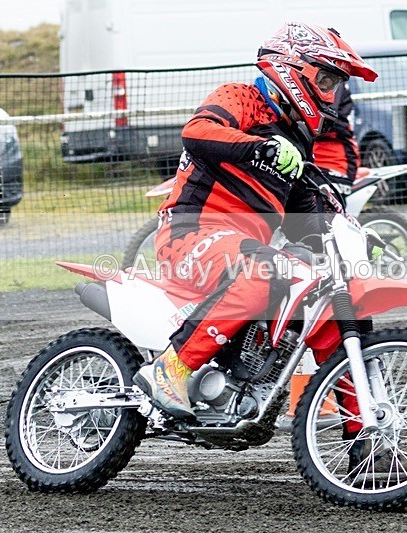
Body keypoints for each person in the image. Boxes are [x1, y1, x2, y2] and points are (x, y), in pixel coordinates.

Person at [132, 23, 378, 419]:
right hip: (190, 233)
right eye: (327, 80)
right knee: (269, 268)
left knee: (332, 301)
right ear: (293, 68)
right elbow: (197, 132)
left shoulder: (298, 141)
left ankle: (363, 432)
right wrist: (260, 148)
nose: (332, 93)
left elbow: (302, 218)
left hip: (244, 249)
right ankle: (171, 368)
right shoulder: (240, 97)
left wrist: (346, 238)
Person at [312, 81, 361, 194]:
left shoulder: (332, 80)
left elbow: (323, 117)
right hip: (309, 155)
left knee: (320, 199)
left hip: (334, 158)